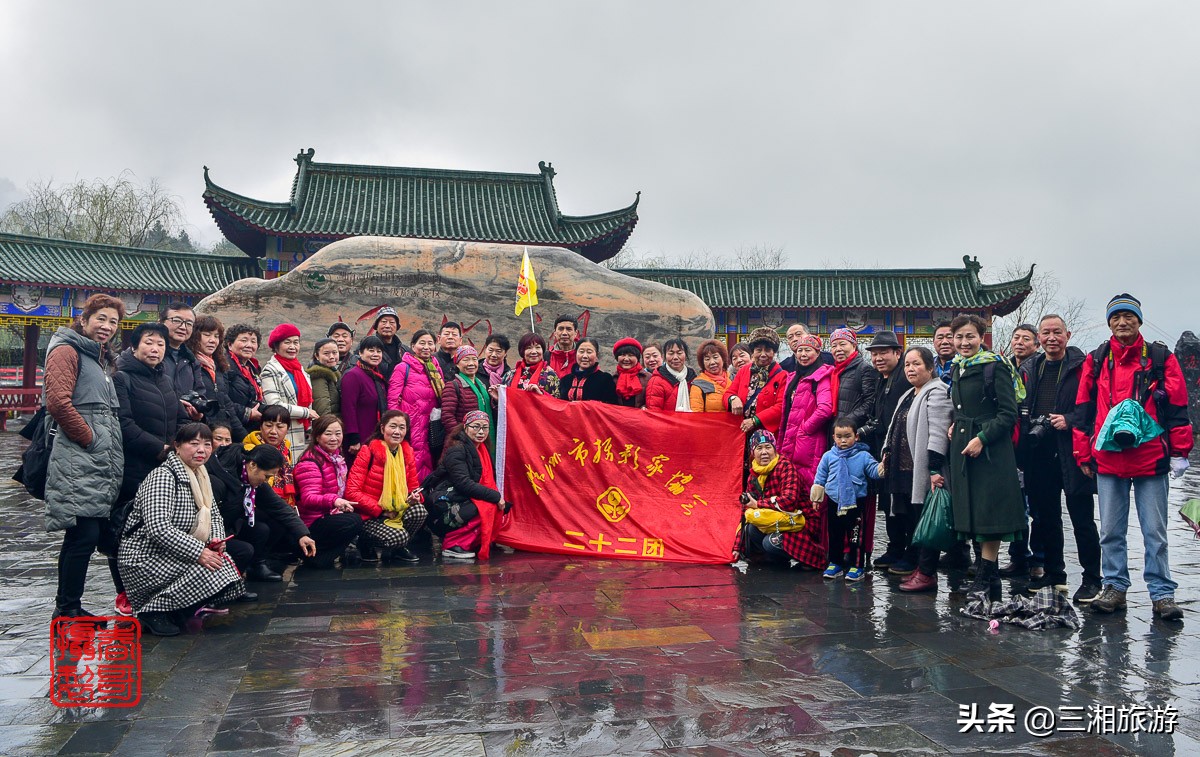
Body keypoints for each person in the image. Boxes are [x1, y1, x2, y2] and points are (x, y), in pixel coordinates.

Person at [1073, 294, 1193, 620]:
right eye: (1116, 317)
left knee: (1155, 531)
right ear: (1108, 322)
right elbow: (1083, 408)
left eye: (1128, 316)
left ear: (1139, 320)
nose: (1122, 322)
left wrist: (1180, 451)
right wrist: (1082, 452)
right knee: (1110, 531)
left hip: (1150, 456)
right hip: (1108, 458)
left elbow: (1178, 406)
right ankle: (1114, 587)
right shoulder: (1097, 359)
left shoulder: (1160, 358)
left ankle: (1162, 593)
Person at [118, 424, 246, 636]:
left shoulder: (201, 475)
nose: (201, 450)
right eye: (194, 443)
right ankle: (151, 612)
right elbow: (158, 528)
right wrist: (199, 552)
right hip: (144, 557)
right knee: (211, 568)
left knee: (223, 563)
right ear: (177, 446)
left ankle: (176, 610)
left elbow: (213, 515)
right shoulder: (163, 476)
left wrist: (216, 540)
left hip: (173, 552)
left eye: (207, 444)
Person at [45, 294, 125, 620]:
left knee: (84, 534)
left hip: (96, 459)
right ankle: (67, 608)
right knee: (83, 533)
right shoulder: (67, 350)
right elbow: (58, 402)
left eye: (113, 322)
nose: (106, 326)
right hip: (78, 456)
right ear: (84, 319)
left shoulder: (98, 357)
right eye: (101, 318)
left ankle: (69, 606)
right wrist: (90, 439)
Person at [1018, 314, 1101, 602]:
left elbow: (1095, 408)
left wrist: (1069, 420)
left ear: (1068, 335)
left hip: (1072, 451)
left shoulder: (1082, 367)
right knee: (1046, 518)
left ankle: (1092, 578)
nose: (1051, 338)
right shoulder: (1031, 368)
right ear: (1039, 338)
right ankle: (1055, 573)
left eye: (1057, 332)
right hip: (1039, 452)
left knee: (1082, 518)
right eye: (1046, 333)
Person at [948, 314, 1026, 600]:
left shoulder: (995, 366)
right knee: (972, 510)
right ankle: (990, 580)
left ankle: (984, 575)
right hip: (964, 447)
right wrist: (956, 424)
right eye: (959, 337)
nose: (964, 342)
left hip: (991, 450)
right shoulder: (957, 367)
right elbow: (962, 406)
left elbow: (1008, 413)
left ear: (982, 338)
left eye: (970, 336)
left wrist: (982, 438)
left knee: (989, 514)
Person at [889, 347, 954, 593]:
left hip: (926, 470)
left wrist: (934, 468)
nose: (910, 369)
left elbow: (938, 432)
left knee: (928, 520)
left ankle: (927, 572)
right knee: (914, 519)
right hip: (905, 470)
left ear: (930, 367)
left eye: (916, 364)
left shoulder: (937, 392)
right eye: (907, 365)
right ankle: (919, 567)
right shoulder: (909, 393)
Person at [207, 438, 315, 583]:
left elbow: (279, 507)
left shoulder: (250, 479)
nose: (266, 481)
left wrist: (302, 534)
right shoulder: (218, 480)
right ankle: (230, 583)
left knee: (262, 529)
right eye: (267, 476)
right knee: (244, 549)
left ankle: (257, 566)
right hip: (212, 534)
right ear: (253, 465)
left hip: (231, 525)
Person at [114, 323, 189, 507]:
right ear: (134, 347)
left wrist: (177, 446)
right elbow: (123, 423)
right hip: (134, 467)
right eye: (148, 343)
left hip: (168, 465)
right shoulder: (121, 378)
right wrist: (160, 448)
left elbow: (182, 418)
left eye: (161, 344)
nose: (155, 349)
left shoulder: (166, 380)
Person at [861, 331, 914, 573]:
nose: (878, 358)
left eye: (884, 352)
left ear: (897, 353)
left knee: (905, 503)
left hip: (905, 452)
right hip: (885, 449)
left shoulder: (905, 376)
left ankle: (912, 552)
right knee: (889, 502)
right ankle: (895, 548)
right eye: (874, 354)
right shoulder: (882, 378)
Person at [345, 410, 428, 563]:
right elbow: (351, 492)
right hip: (370, 515)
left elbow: (413, 487)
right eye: (393, 426)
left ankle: (397, 550)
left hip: (396, 510)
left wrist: (415, 497)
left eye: (402, 427)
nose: (397, 432)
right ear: (383, 428)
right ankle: (365, 543)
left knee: (419, 511)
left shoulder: (407, 453)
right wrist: (381, 510)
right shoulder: (368, 451)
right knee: (399, 536)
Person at [735, 430, 824, 569]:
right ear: (752, 452)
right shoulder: (753, 475)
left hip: (800, 522)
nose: (764, 452)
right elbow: (744, 511)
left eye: (768, 447)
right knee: (751, 529)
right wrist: (737, 547)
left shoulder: (786, 467)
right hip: (775, 520)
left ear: (775, 449)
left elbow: (789, 501)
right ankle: (777, 560)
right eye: (759, 448)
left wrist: (758, 504)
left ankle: (807, 559)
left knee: (769, 542)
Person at [812, 418, 885, 582]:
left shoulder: (863, 456)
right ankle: (835, 563)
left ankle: (857, 566)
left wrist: (882, 467)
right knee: (835, 534)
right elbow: (820, 477)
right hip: (834, 501)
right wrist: (816, 498)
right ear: (833, 437)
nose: (843, 440)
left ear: (856, 437)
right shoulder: (828, 456)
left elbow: (874, 471)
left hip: (856, 502)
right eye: (839, 437)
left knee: (856, 536)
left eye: (847, 436)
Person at [292, 415, 364, 569]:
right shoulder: (310, 463)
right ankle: (316, 555)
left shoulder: (336, 459)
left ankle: (322, 558)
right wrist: (334, 501)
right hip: (311, 522)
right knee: (353, 521)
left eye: (338, 433)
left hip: (327, 514)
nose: (334, 438)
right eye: (328, 434)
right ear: (317, 436)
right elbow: (308, 498)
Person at [433, 411, 508, 559]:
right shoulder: (457, 450)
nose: (481, 432)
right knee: (487, 506)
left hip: (462, 497)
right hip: (445, 502)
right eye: (476, 427)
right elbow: (463, 483)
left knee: (501, 506)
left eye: (485, 428)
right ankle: (453, 544)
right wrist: (495, 496)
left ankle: (473, 542)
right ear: (465, 427)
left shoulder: (482, 449)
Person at [776, 333, 834, 487]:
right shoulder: (794, 377)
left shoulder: (822, 376)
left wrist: (804, 429)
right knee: (790, 481)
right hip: (790, 437)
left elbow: (825, 409)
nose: (803, 354)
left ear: (818, 352)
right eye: (799, 350)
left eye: (808, 350)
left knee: (807, 481)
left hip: (809, 440)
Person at [388, 329, 445, 480]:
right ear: (413, 346)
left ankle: (425, 490)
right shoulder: (403, 367)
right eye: (422, 343)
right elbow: (393, 399)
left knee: (430, 458)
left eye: (430, 343)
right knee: (412, 458)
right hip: (411, 422)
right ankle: (412, 490)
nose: (426, 347)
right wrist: (396, 425)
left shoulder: (436, 368)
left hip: (431, 423)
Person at [260, 323, 318, 458]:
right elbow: (274, 405)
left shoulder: (299, 369)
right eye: (287, 342)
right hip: (284, 433)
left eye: (296, 342)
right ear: (276, 346)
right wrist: (306, 413)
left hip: (303, 432)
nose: (293, 347)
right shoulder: (270, 370)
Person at [186, 315, 247, 442]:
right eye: (207, 335)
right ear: (194, 336)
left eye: (216, 336)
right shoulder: (187, 364)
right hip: (200, 435)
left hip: (221, 433)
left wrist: (244, 437)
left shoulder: (218, 365)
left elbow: (226, 403)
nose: (212, 340)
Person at [724, 327, 788, 435]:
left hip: (766, 435)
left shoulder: (783, 376)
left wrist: (755, 421)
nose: (763, 354)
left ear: (774, 352)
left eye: (767, 350)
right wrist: (733, 399)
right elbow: (728, 393)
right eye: (758, 350)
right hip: (741, 431)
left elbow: (781, 406)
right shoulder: (744, 371)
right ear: (753, 352)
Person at [340, 336, 389, 461]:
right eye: (371, 350)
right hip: (359, 439)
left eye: (379, 351)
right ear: (361, 353)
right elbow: (348, 408)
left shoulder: (377, 377)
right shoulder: (353, 375)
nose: (375, 354)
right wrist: (353, 438)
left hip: (375, 437)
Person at [242, 405, 298, 511]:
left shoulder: (286, 450)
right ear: (260, 426)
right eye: (268, 425)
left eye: (280, 427)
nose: (273, 431)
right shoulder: (250, 450)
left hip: (282, 504)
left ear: (287, 429)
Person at [158, 302, 202, 420]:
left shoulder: (192, 360)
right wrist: (176, 403)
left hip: (185, 423)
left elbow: (200, 391)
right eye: (177, 320)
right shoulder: (151, 355)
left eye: (189, 323)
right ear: (161, 322)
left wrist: (198, 410)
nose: (183, 327)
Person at [224, 324, 265, 433]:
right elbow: (222, 400)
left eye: (253, 341)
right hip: (231, 427)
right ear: (230, 344)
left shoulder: (253, 368)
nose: (249, 345)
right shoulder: (224, 366)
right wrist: (247, 412)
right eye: (244, 340)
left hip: (250, 426)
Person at [442, 345, 493, 427]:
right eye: (466, 360)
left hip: (483, 433)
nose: (471, 363)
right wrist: (459, 434)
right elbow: (447, 416)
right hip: (464, 434)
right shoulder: (452, 386)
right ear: (457, 364)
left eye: (474, 359)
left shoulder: (482, 385)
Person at [559, 337, 618, 404]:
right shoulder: (566, 380)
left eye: (589, 352)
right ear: (575, 354)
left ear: (597, 355)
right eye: (581, 351)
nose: (585, 356)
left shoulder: (605, 379)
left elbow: (611, 406)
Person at [644, 338, 696, 413]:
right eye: (671, 353)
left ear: (686, 355)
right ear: (664, 356)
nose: (675, 357)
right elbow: (654, 413)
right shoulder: (656, 381)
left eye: (679, 353)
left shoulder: (693, 378)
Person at [689, 340, 731, 412]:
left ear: (723, 358)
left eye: (715, 357)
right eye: (707, 359)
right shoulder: (698, 384)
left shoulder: (734, 379)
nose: (712, 362)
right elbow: (696, 414)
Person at [612, 338, 652, 408]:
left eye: (630, 355)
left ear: (637, 358)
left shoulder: (648, 378)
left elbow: (652, 401)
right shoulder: (612, 379)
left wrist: (645, 407)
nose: (626, 359)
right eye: (622, 355)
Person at [306, 338, 342, 417]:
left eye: (334, 352)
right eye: (326, 353)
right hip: (329, 422)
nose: (331, 357)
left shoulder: (333, 373)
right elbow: (322, 410)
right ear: (317, 356)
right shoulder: (318, 376)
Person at [371, 306, 405, 378]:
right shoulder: (366, 347)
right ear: (376, 325)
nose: (387, 326)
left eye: (392, 322)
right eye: (384, 322)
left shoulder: (404, 350)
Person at [932, 321, 955, 385]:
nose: (945, 342)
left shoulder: (966, 365)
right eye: (940, 338)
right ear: (933, 342)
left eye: (949, 337)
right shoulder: (928, 365)